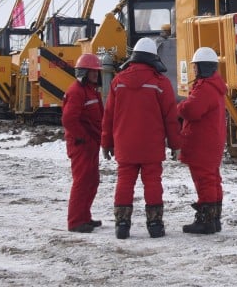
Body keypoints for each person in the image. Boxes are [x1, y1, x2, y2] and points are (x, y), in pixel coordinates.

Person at [101, 37, 182, 239]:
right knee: (153, 182)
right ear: (153, 58)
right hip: (151, 146)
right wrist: (175, 145)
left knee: (124, 182)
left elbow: (108, 116)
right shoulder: (160, 83)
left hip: (124, 145)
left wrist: (106, 142)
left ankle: (122, 225)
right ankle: (155, 225)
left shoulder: (118, 82)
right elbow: (170, 118)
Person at [177, 47, 228, 234]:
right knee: (212, 178)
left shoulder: (205, 88)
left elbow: (191, 110)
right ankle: (214, 218)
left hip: (202, 142)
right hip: (211, 140)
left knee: (204, 179)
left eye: (196, 67)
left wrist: (178, 108)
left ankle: (206, 221)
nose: (194, 71)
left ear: (202, 67)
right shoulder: (215, 86)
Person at [61, 53, 104, 233]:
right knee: (82, 181)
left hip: (90, 143)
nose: (96, 75)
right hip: (82, 145)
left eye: (96, 72)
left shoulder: (90, 90)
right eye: (93, 72)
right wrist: (82, 138)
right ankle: (76, 221)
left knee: (91, 181)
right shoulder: (77, 92)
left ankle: (84, 217)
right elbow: (69, 119)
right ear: (84, 72)